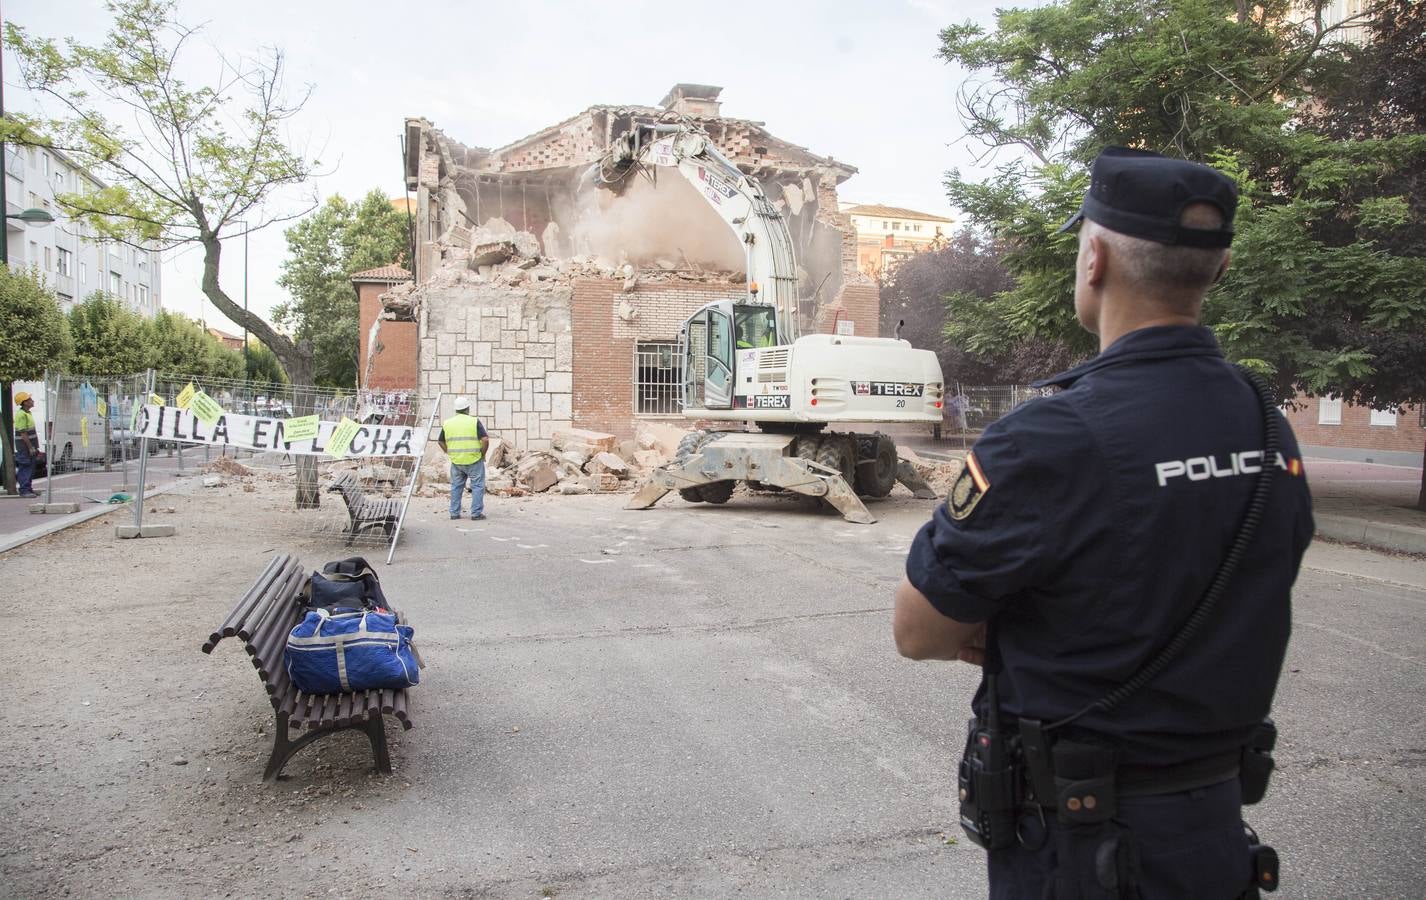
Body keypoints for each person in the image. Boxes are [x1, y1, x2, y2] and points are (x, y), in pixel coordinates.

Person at [894, 148, 1314, 898]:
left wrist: (1015, 630)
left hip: (1085, 852)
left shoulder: (1048, 438)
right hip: (1215, 834)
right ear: (1217, 271)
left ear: (1093, 259)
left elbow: (919, 632)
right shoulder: (1266, 423)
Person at [437, 396, 489, 521]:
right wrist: (482, 453)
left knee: (456, 487)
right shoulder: (474, 421)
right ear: (467, 409)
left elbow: (440, 441)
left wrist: (448, 452)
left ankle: (454, 513)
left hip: (456, 461)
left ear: (456, 410)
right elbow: (485, 439)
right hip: (474, 459)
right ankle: (476, 514)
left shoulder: (448, 423)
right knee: (477, 486)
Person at [12, 391, 42, 498]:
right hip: (24, 448)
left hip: (30, 447)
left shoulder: (27, 413)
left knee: (30, 468)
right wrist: (30, 448)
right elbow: (23, 433)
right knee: (25, 467)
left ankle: (28, 488)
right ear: (24, 403)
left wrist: (35, 448)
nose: (32, 401)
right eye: (29, 399)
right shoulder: (21, 415)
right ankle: (24, 490)